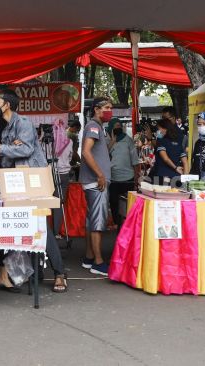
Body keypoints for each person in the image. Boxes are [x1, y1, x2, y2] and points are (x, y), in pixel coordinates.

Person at [0, 89, 66, 293]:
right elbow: (10, 153)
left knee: (41, 227)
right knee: (13, 227)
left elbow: (26, 150)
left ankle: (59, 273)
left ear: (6, 104)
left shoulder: (22, 123)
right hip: (13, 185)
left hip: (31, 183)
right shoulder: (5, 128)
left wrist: (1, 148)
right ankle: (17, 273)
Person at [79, 97, 113, 276]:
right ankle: (98, 263)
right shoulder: (93, 126)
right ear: (96, 109)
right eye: (107, 107)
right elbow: (86, 151)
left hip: (93, 181)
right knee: (98, 222)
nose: (110, 111)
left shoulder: (98, 127)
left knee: (92, 220)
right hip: (96, 182)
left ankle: (89, 257)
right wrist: (100, 174)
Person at [108, 118, 139, 229]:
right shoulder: (107, 141)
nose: (118, 128)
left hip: (128, 179)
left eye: (119, 126)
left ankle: (128, 226)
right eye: (115, 126)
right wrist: (111, 142)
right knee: (113, 202)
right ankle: (117, 224)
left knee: (128, 204)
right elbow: (103, 158)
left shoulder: (128, 140)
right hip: (113, 179)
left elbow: (135, 161)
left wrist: (136, 179)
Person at [51, 119, 75, 240]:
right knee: (59, 203)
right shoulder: (69, 142)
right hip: (64, 174)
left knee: (47, 202)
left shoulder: (50, 142)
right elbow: (71, 156)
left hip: (51, 174)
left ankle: (46, 231)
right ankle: (55, 232)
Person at [151, 118, 188, 183]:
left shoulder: (161, 141)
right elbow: (185, 162)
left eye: (158, 128)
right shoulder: (178, 143)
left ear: (165, 129)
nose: (157, 131)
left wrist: (175, 168)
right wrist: (185, 178)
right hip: (176, 177)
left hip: (162, 176)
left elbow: (165, 158)